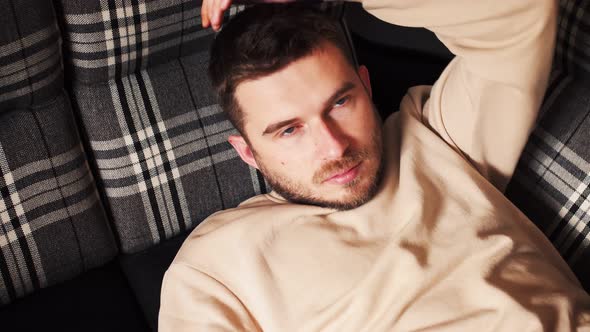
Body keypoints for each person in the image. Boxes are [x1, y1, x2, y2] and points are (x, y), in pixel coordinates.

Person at [159, 0, 590, 330]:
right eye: (289, 130)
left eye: (340, 103)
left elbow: (519, 10)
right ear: (246, 151)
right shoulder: (213, 265)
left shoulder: (438, 135)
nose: (333, 147)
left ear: (365, 87)